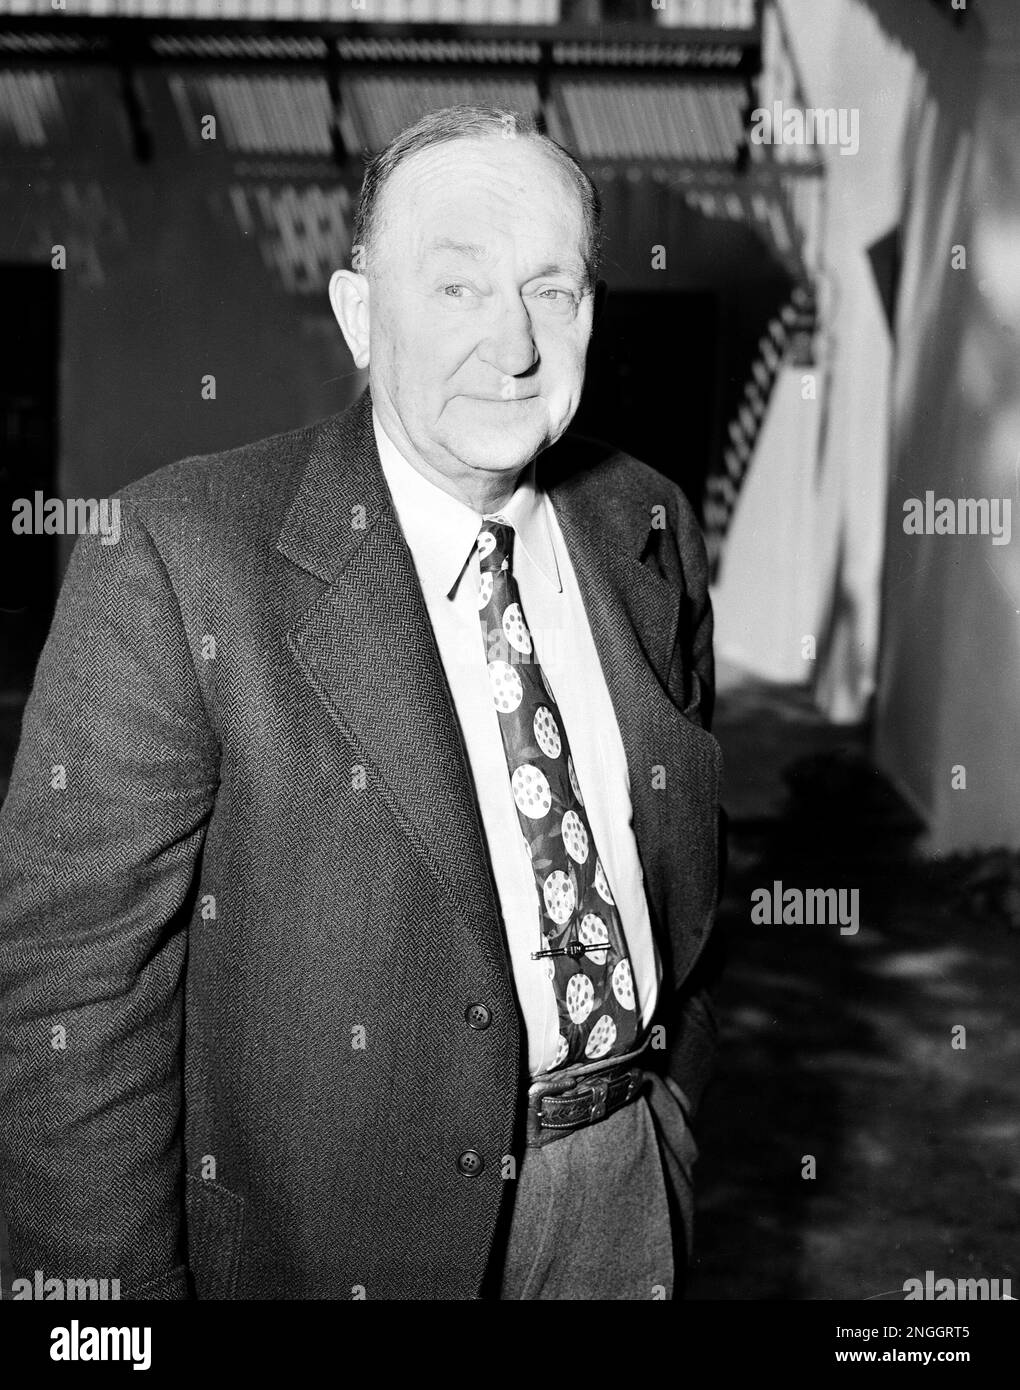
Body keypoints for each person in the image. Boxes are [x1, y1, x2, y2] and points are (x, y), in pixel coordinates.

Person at [0, 104, 724, 1301]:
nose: (515, 347)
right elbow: (73, 997)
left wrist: (673, 1107)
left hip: (628, 1185)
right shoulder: (180, 559)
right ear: (356, 315)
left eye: (553, 292)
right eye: (455, 289)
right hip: (334, 1240)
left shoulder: (647, 522)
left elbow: (685, 860)